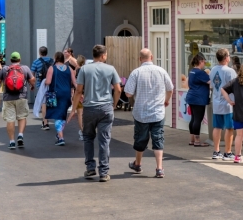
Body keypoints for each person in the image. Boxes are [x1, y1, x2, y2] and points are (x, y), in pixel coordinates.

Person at [124, 48, 174, 178]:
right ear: (151, 57)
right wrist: (166, 100)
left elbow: (128, 92)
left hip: (141, 112)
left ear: (140, 59)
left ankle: (138, 164)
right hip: (158, 111)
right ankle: (159, 168)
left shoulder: (136, 73)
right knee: (158, 138)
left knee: (140, 138)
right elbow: (170, 88)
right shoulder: (161, 71)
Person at [75, 44, 122, 182]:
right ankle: (104, 172)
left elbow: (79, 90)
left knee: (88, 137)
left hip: (89, 107)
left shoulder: (84, 69)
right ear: (103, 56)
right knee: (104, 140)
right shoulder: (110, 69)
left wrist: (74, 107)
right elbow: (118, 89)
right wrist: (114, 104)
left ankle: (90, 167)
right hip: (106, 107)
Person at [0, 52, 36, 150]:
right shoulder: (25, 68)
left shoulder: (5, 68)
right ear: (20, 59)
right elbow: (33, 80)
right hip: (21, 96)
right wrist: (32, 85)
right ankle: (20, 135)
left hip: (8, 98)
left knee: (10, 120)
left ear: (10, 60)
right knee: (22, 117)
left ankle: (12, 142)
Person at [209, 49, 237, 161]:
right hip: (228, 103)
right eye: (229, 55)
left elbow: (212, 85)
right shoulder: (230, 71)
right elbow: (235, 87)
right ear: (226, 58)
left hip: (216, 102)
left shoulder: (213, 70)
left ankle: (216, 151)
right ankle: (228, 152)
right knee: (229, 128)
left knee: (217, 127)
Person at [44, 52, 74, 147]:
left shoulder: (52, 68)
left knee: (57, 115)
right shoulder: (69, 68)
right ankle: (59, 133)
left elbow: (48, 81)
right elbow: (74, 82)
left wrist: (44, 83)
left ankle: (61, 137)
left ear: (56, 58)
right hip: (67, 94)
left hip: (56, 94)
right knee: (63, 114)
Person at [184, 53, 210, 147]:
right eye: (204, 61)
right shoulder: (200, 73)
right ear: (200, 61)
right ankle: (197, 141)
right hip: (199, 98)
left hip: (191, 97)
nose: (205, 63)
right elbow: (210, 82)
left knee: (193, 119)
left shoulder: (192, 71)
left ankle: (192, 140)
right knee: (198, 120)